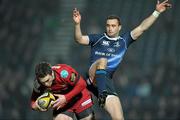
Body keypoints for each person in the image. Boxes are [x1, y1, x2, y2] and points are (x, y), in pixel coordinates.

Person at [73, 0, 171, 120]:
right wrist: (77, 24)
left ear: (119, 27)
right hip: (92, 76)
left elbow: (142, 28)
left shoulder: (123, 41)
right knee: (102, 61)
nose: (110, 28)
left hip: (106, 81)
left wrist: (156, 12)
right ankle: (101, 94)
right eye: (108, 25)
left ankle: (102, 94)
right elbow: (79, 39)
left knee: (119, 118)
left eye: (113, 26)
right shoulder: (98, 38)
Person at [30, 62, 95, 120]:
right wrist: (36, 106)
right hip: (62, 104)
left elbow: (82, 84)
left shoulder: (64, 73)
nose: (46, 84)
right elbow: (33, 102)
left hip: (80, 98)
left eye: (47, 80)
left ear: (52, 73)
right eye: (43, 82)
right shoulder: (38, 83)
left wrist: (65, 98)